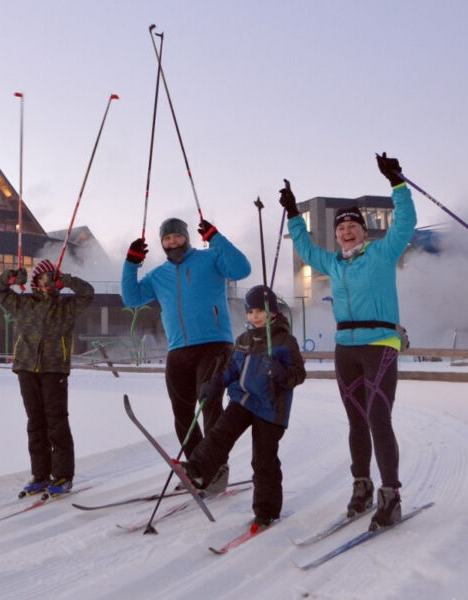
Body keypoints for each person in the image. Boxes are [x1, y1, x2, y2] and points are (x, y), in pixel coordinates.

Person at [278, 153, 416, 530]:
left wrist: (397, 183)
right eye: (341, 228)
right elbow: (305, 250)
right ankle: (362, 487)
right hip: (346, 347)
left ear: (365, 231)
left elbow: (405, 224)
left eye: (353, 225)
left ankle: (391, 494)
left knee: (377, 417)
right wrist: (293, 212)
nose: (346, 231)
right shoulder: (335, 264)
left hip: (380, 344)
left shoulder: (383, 253)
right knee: (356, 420)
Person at [122, 217, 251, 492]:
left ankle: (216, 467)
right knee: (182, 414)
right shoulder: (158, 275)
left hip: (214, 344)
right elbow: (132, 298)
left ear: (186, 237)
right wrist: (131, 263)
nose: (172, 242)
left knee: (209, 406)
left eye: (176, 236)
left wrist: (216, 237)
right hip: (178, 349)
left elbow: (242, 269)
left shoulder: (210, 259)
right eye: (167, 239)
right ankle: (197, 467)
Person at [181, 285, 306, 529]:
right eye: (251, 312)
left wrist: (280, 372)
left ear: (272, 311)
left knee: (263, 460)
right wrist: (214, 384)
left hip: (270, 408)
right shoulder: (244, 340)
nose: (255, 316)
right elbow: (231, 369)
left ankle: (266, 510)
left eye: (261, 310)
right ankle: (197, 470)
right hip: (243, 400)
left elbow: (298, 374)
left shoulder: (284, 340)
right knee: (219, 434)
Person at [0, 259, 95, 496]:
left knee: (56, 422)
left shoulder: (66, 306)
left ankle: (62, 476)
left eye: (50, 277)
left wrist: (67, 280)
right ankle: (40, 475)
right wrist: (11, 277)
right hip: (27, 368)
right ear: (34, 280)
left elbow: (88, 293)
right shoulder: (22, 303)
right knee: (35, 423)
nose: (45, 281)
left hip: (54, 369)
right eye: (41, 277)